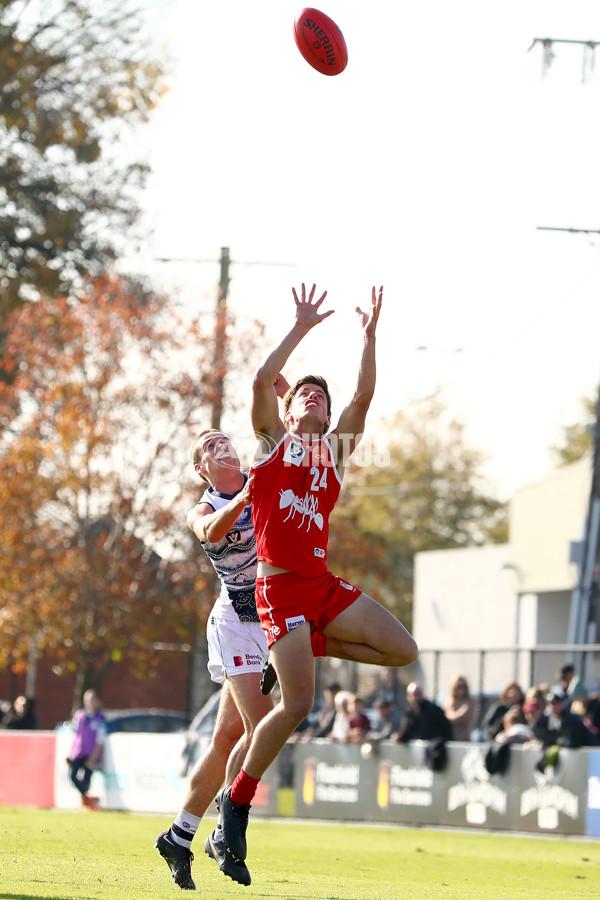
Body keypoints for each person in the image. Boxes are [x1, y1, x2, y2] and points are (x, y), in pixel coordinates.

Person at [217, 283, 418, 869]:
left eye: (318, 398)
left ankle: (311, 645)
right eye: (302, 393)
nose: (312, 399)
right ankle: (237, 808)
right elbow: (261, 380)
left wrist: (371, 335)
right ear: (287, 411)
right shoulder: (271, 445)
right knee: (298, 704)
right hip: (278, 590)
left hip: (322, 588)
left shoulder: (334, 453)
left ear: (328, 417)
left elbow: (363, 394)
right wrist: (300, 327)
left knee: (403, 651)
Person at [155, 429, 278, 890]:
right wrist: (248, 494)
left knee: (228, 735)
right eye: (209, 446)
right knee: (263, 722)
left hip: (271, 618)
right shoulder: (203, 508)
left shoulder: (262, 477)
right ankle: (227, 826)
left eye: (224, 439)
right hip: (236, 621)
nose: (220, 444)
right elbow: (211, 530)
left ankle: (178, 835)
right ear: (201, 468)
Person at [67, 689, 106, 810]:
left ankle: (86, 803)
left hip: (91, 754)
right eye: (88, 700)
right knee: (73, 776)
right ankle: (89, 798)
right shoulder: (79, 715)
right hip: (78, 752)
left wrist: (94, 757)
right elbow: (75, 734)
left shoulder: (100, 718)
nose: (91, 703)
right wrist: (71, 753)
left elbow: (100, 739)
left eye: (93, 700)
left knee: (86, 779)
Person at [442, 674, 476, 742]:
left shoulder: (470, 702)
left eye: (463, 687)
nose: (461, 689)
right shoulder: (448, 702)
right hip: (449, 738)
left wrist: (449, 715)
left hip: (463, 739)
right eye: (458, 686)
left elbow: (460, 717)